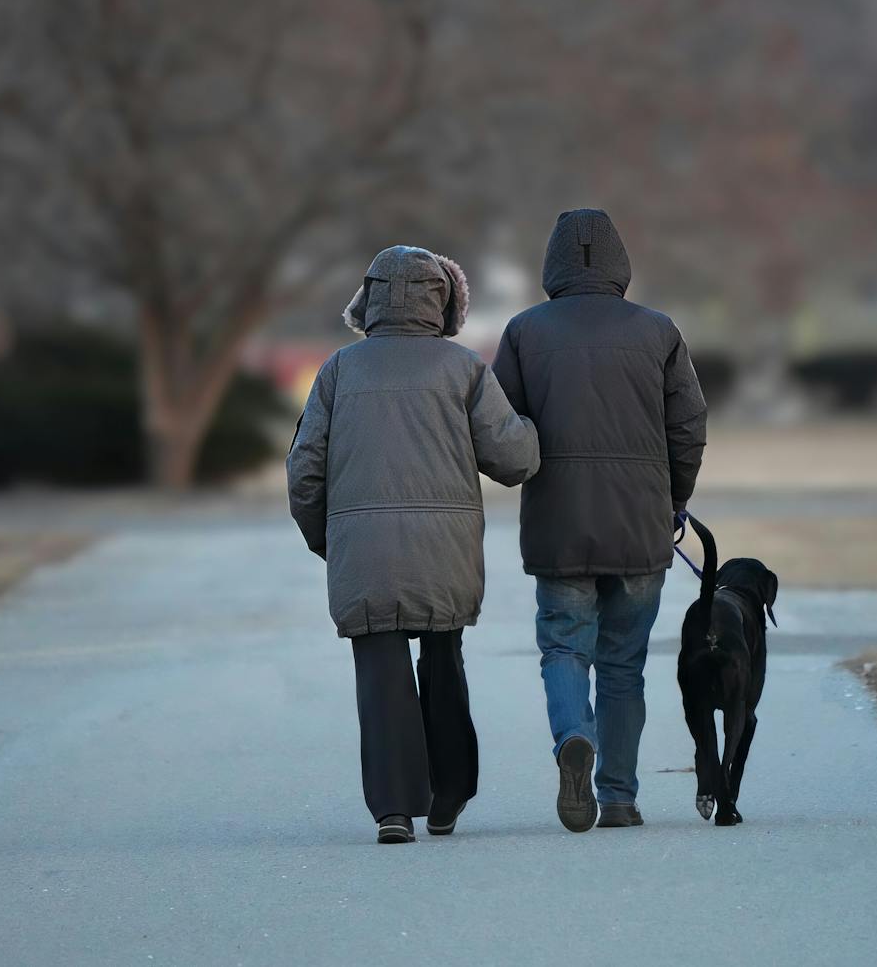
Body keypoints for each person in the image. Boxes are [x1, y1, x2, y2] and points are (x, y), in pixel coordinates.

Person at [287, 245, 539, 844]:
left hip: (363, 549)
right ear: (444, 301)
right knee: (443, 661)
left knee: (380, 674)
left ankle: (394, 810)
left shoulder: (339, 371)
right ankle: (448, 797)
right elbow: (516, 459)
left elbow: (304, 471)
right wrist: (532, 426)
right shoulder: (464, 369)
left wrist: (331, 539)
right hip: (443, 549)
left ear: (368, 298)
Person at [494, 209, 708, 831]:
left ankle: (571, 739)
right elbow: (689, 424)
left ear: (552, 265)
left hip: (558, 520)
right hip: (640, 520)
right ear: (619, 263)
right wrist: (675, 497)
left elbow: (501, 427)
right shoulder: (658, 331)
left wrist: (524, 474)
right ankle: (618, 796)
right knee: (624, 664)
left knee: (564, 644)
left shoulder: (523, 332)